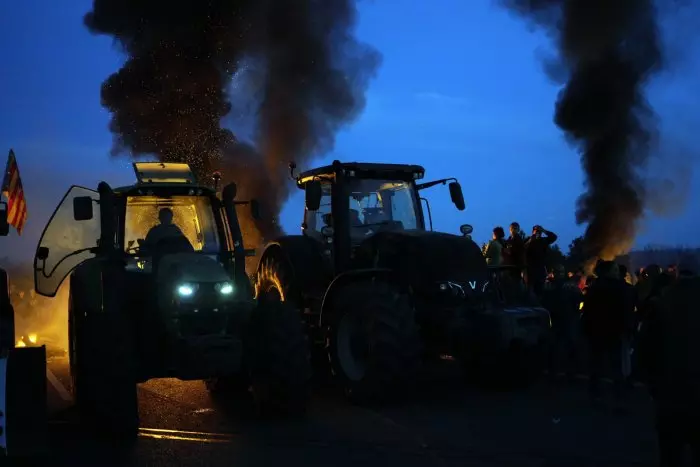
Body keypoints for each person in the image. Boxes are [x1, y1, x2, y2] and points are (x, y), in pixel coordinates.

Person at [638, 270, 700, 466]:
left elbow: (645, 350)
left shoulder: (661, 305)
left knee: (670, 454)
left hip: (669, 396)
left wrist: (653, 386)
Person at [580, 260, 629, 405]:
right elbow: (624, 311)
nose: (616, 271)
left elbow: (587, 310)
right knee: (615, 366)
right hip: (612, 332)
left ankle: (596, 395)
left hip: (597, 332)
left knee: (597, 365)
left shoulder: (594, 287)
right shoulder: (620, 288)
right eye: (614, 269)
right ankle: (618, 399)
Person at [542, 264, 583, 380]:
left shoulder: (549, 285)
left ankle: (556, 371)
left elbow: (543, 301)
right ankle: (568, 372)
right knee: (567, 345)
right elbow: (580, 300)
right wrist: (577, 312)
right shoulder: (569, 285)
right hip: (564, 319)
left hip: (560, 319)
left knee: (558, 346)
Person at [524, 225, 558, 297]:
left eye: (539, 232)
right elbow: (522, 249)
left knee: (539, 290)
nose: (538, 233)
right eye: (536, 231)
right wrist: (530, 241)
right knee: (529, 290)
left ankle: (538, 304)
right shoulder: (528, 239)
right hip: (530, 270)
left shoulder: (543, 241)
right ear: (533, 232)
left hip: (540, 270)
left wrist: (544, 230)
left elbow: (554, 237)